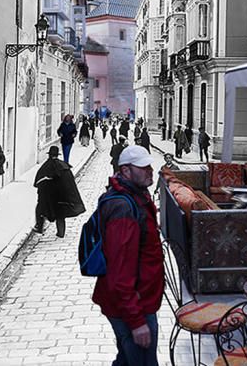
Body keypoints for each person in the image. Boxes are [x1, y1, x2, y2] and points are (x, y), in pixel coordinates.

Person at [92, 146, 164, 366]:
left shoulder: (135, 196)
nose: (150, 170)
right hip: (133, 309)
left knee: (126, 360)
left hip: (139, 303)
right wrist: (136, 322)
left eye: (150, 165)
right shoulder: (123, 208)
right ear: (125, 171)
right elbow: (119, 271)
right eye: (143, 167)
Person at [33, 146, 85, 238]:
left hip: (50, 195)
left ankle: (39, 227)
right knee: (60, 214)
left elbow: (39, 181)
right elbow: (70, 183)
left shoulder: (46, 166)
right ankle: (60, 233)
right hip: (62, 196)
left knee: (40, 209)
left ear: (49, 155)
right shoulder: (64, 166)